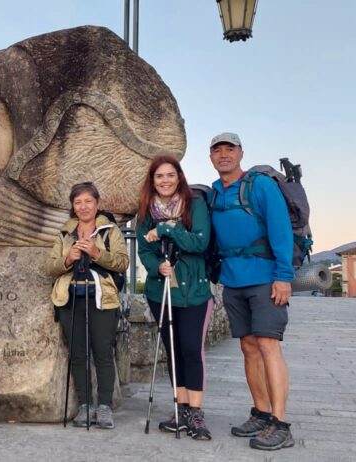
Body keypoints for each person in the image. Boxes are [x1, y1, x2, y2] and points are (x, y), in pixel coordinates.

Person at [208, 132, 295, 450]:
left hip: (266, 278)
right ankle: (260, 411)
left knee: (269, 345)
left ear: (240, 153)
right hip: (232, 280)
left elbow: (280, 229)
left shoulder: (261, 185)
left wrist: (284, 276)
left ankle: (280, 423)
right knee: (248, 347)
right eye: (217, 150)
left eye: (229, 149)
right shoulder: (215, 193)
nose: (223, 154)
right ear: (211, 158)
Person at [136, 156, 213, 440]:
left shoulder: (195, 205)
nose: (165, 180)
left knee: (192, 349)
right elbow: (145, 249)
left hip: (194, 291)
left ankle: (195, 411)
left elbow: (200, 242)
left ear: (179, 177)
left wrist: (168, 229)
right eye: (159, 176)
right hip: (162, 291)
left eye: (170, 175)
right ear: (152, 181)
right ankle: (179, 408)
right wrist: (157, 266)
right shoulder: (145, 211)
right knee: (173, 351)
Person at [45, 182, 129, 429]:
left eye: (88, 201)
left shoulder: (109, 231)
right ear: (73, 206)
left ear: (97, 203)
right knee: (78, 353)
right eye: (78, 202)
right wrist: (67, 258)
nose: (83, 206)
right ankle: (85, 405)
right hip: (70, 299)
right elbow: (49, 267)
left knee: (103, 351)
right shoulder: (64, 234)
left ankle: (104, 406)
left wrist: (96, 253)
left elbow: (123, 262)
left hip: (103, 298)